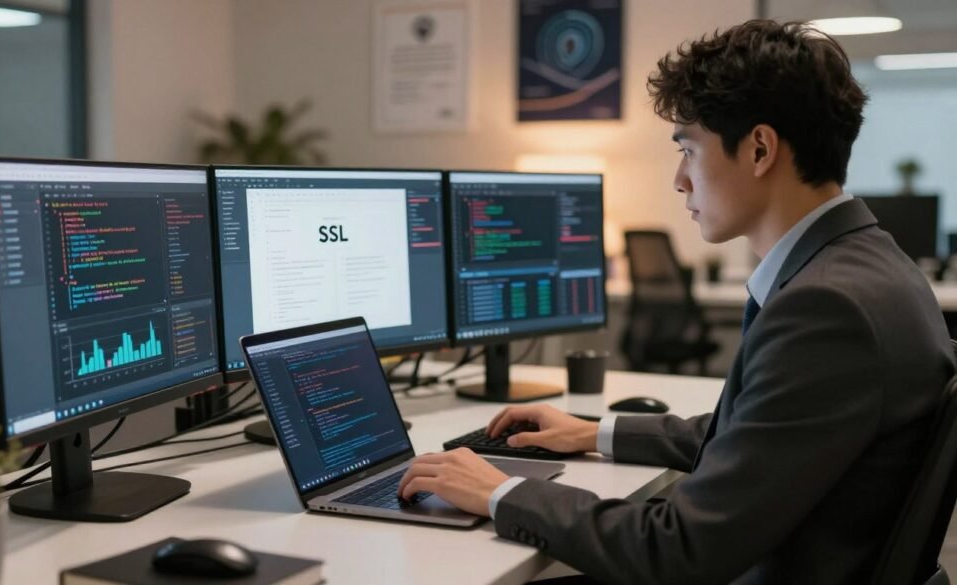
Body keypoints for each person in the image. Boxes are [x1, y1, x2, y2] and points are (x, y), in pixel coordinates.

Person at [398, 19, 955, 584]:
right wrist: (595, 432)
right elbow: (759, 434)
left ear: (759, 149)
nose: (680, 180)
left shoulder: (826, 308)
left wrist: (503, 492)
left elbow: (680, 550)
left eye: (689, 149)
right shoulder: (871, 264)